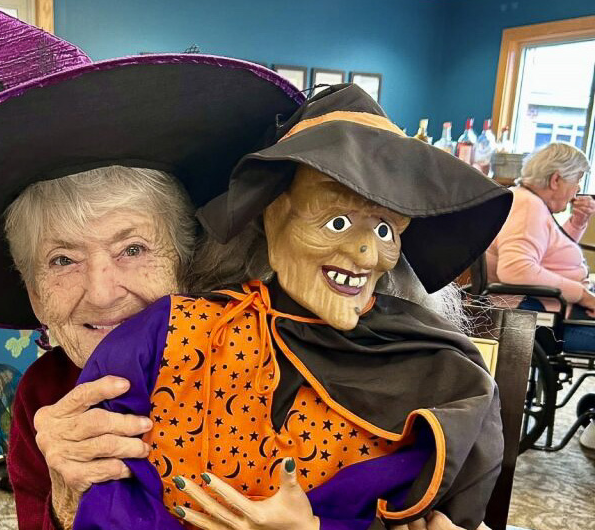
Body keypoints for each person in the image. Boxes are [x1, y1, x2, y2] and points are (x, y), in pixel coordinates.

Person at [0, 0, 493, 530]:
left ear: (191, 255)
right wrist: (68, 495)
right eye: (60, 261)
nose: (103, 292)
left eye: (133, 247)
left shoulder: (310, 351)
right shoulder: (51, 398)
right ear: (29, 289)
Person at [71, 84, 510, 530]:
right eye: (336, 222)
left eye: (384, 230)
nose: (364, 254)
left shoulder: (437, 374)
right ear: (272, 215)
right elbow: (104, 488)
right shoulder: (167, 333)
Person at [486, 142, 595, 350]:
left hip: (557, 308)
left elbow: (551, 254)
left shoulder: (529, 200)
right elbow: (516, 271)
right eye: (577, 179)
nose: (578, 188)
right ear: (555, 180)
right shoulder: (528, 206)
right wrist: (583, 295)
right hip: (546, 317)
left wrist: (577, 221)